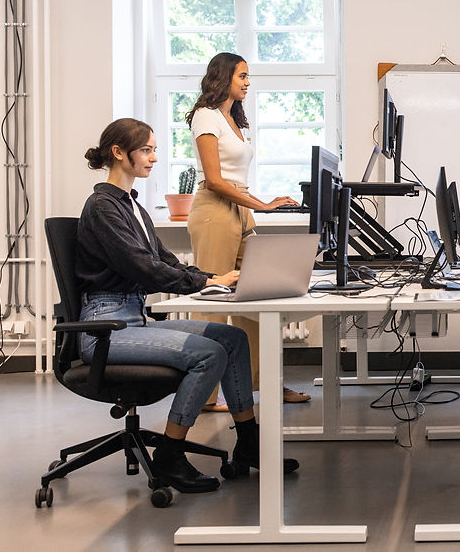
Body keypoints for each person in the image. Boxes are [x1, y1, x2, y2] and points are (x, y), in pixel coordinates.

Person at [77, 118, 298, 494]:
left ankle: (248, 444)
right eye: (146, 150)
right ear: (118, 153)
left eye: (154, 150)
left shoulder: (131, 207)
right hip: (106, 328)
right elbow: (143, 268)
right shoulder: (103, 208)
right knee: (208, 354)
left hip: (133, 319)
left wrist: (213, 278)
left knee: (232, 338)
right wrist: (205, 283)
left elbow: (167, 261)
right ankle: (170, 454)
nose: (154, 158)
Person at [184, 52, 309, 409]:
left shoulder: (232, 119)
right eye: (242, 76)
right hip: (214, 211)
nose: (247, 82)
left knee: (253, 299)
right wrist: (264, 205)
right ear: (222, 77)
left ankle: (260, 387)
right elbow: (214, 179)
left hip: (237, 210)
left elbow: (235, 181)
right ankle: (204, 396)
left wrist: (257, 203)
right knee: (212, 302)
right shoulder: (206, 117)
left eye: (248, 76)